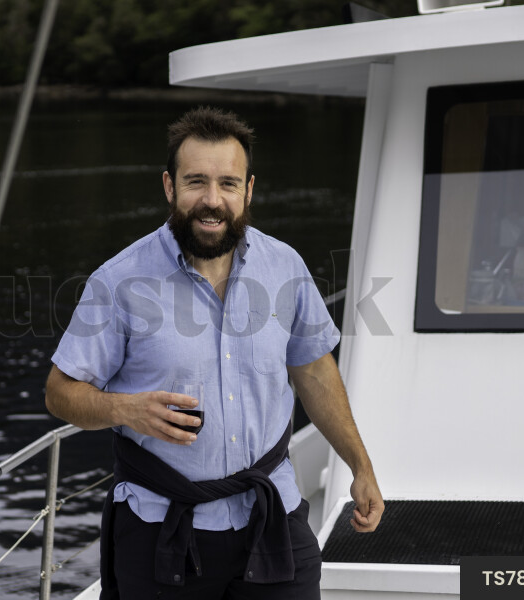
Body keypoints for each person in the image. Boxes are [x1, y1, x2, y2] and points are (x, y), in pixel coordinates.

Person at [45, 106, 383, 600]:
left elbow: (314, 371)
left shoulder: (285, 266)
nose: (212, 200)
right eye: (195, 182)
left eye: (228, 183)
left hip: (273, 518)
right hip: (159, 530)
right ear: (169, 186)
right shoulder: (117, 281)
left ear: (248, 190)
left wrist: (360, 466)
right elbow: (59, 393)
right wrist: (126, 410)